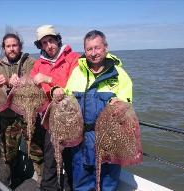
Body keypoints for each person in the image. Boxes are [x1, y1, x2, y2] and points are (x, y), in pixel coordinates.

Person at [52, 30, 133, 191]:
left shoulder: (120, 75)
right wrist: (56, 91)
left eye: (97, 48)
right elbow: (67, 98)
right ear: (85, 51)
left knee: (108, 183)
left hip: (110, 139)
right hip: (81, 141)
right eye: (89, 49)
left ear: (105, 48)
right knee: (81, 183)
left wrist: (121, 103)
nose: (93, 53)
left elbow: (128, 104)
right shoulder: (77, 73)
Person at [30, 25, 80, 191]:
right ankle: (49, 188)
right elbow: (32, 86)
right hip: (49, 118)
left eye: (51, 41)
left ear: (58, 40)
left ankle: (72, 186)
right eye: (44, 43)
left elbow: (75, 85)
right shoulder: (38, 64)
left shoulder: (74, 58)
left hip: (71, 116)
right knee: (50, 157)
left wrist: (49, 79)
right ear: (40, 46)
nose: (49, 46)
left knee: (72, 157)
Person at [0, 32, 35, 187]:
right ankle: (5, 184)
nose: (12, 49)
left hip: (28, 114)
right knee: (7, 154)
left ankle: (41, 183)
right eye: (8, 46)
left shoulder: (30, 62)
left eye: (14, 45)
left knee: (36, 150)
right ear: (4, 48)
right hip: (7, 117)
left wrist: (22, 81)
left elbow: (36, 80)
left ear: (20, 46)